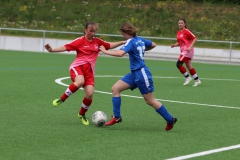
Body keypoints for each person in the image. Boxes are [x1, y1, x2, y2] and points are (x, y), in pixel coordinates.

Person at [99, 22, 177, 131]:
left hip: (142, 73)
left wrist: (104, 51)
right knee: (115, 89)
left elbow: (120, 53)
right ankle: (117, 117)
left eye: (122, 33)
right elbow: (153, 44)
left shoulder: (130, 41)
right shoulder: (139, 39)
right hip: (134, 73)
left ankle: (170, 119)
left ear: (125, 32)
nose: (122, 36)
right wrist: (141, 50)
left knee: (150, 101)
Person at [44, 21, 125, 126]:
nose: (93, 33)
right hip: (78, 67)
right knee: (80, 81)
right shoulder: (80, 41)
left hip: (90, 72)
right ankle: (62, 99)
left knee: (90, 94)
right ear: (85, 30)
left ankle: (81, 114)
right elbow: (65, 47)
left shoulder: (97, 41)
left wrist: (122, 42)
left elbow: (109, 45)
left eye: (94, 31)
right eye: (91, 31)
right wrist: (51, 50)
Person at [171, 18, 201, 87]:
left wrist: (190, 47)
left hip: (187, 51)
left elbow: (195, 38)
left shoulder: (187, 31)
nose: (180, 24)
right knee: (189, 66)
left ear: (185, 24)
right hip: (183, 51)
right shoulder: (178, 32)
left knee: (178, 64)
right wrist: (174, 45)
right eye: (179, 23)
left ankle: (187, 78)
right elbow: (180, 43)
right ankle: (197, 80)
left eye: (181, 23)